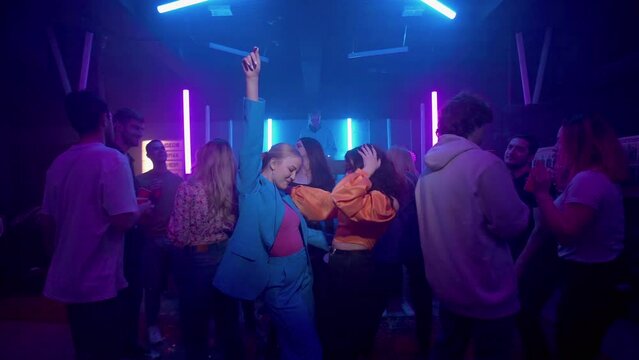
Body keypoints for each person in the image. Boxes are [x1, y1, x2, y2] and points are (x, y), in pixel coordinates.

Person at [213, 47, 323, 360]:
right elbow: (251, 138)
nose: (294, 175)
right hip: (280, 280)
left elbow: (301, 232)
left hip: (304, 273)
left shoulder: (283, 196)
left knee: (294, 345)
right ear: (272, 163)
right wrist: (253, 81)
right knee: (310, 350)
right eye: (290, 169)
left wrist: (335, 241)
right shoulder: (252, 186)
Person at [415, 93, 530, 360]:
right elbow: (512, 224)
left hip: (449, 287)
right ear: (476, 124)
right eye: (485, 127)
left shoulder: (427, 172)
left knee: (447, 349)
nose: (487, 134)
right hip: (488, 291)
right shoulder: (485, 164)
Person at [40, 91, 142, 359]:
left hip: (69, 278)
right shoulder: (111, 160)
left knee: (84, 348)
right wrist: (139, 210)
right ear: (104, 120)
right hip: (100, 280)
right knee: (107, 348)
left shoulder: (58, 163)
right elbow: (123, 219)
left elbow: (47, 220)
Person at [524, 114, 628, 360]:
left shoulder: (588, 180)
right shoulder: (592, 177)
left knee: (574, 345)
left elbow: (567, 232)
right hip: (592, 276)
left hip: (589, 280)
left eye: (561, 140)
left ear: (578, 143)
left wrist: (542, 193)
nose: (557, 146)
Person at [291, 144, 403, 359]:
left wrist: (366, 171)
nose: (350, 173)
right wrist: (289, 188)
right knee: (332, 325)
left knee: (354, 329)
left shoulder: (386, 200)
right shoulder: (357, 194)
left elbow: (341, 197)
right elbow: (325, 203)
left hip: (360, 266)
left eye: (354, 168)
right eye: (350, 169)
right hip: (338, 261)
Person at [168, 139, 244, 360]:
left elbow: (180, 236)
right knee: (228, 320)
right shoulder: (233, 191)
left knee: (194, 323)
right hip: (226, 255)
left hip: (197, 259)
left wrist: (170, 229)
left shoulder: (188, 188)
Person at [381, 146, 432, 356]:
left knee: (389, 292)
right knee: (421, 292)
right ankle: (424, 339)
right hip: (416, 241)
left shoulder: (392, 183)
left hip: (393, 242)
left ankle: (390, 337)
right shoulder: (419, 180)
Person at [136, 140, 183, 347]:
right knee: (152, 286)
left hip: (174, 239)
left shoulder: (177, 180)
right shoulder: (141, 180)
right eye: (155, 149)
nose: (161, 151)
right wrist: (150, 195)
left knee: (180, 284)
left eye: (162, 148)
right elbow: (138, 214)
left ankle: (183, 324)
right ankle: (152, 325)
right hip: (151, 239)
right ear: (148, 155)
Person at [110, 107, 147, 358]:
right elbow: (116, 211)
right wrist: (138, 209)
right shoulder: (112, 158)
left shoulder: (125, 158)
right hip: (117, 243)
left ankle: (129, 345)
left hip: (129, 243)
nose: (139, 134)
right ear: (118, 126)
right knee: (121, 301)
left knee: (131, 298)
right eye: (135, 128)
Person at [504, 135, 539, 259]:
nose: (511, 152)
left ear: (530, 157)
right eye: (510, 147)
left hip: (525, 254)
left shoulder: (535, 182)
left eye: (519, 149)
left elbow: (539, 229)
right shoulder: (500, 179)